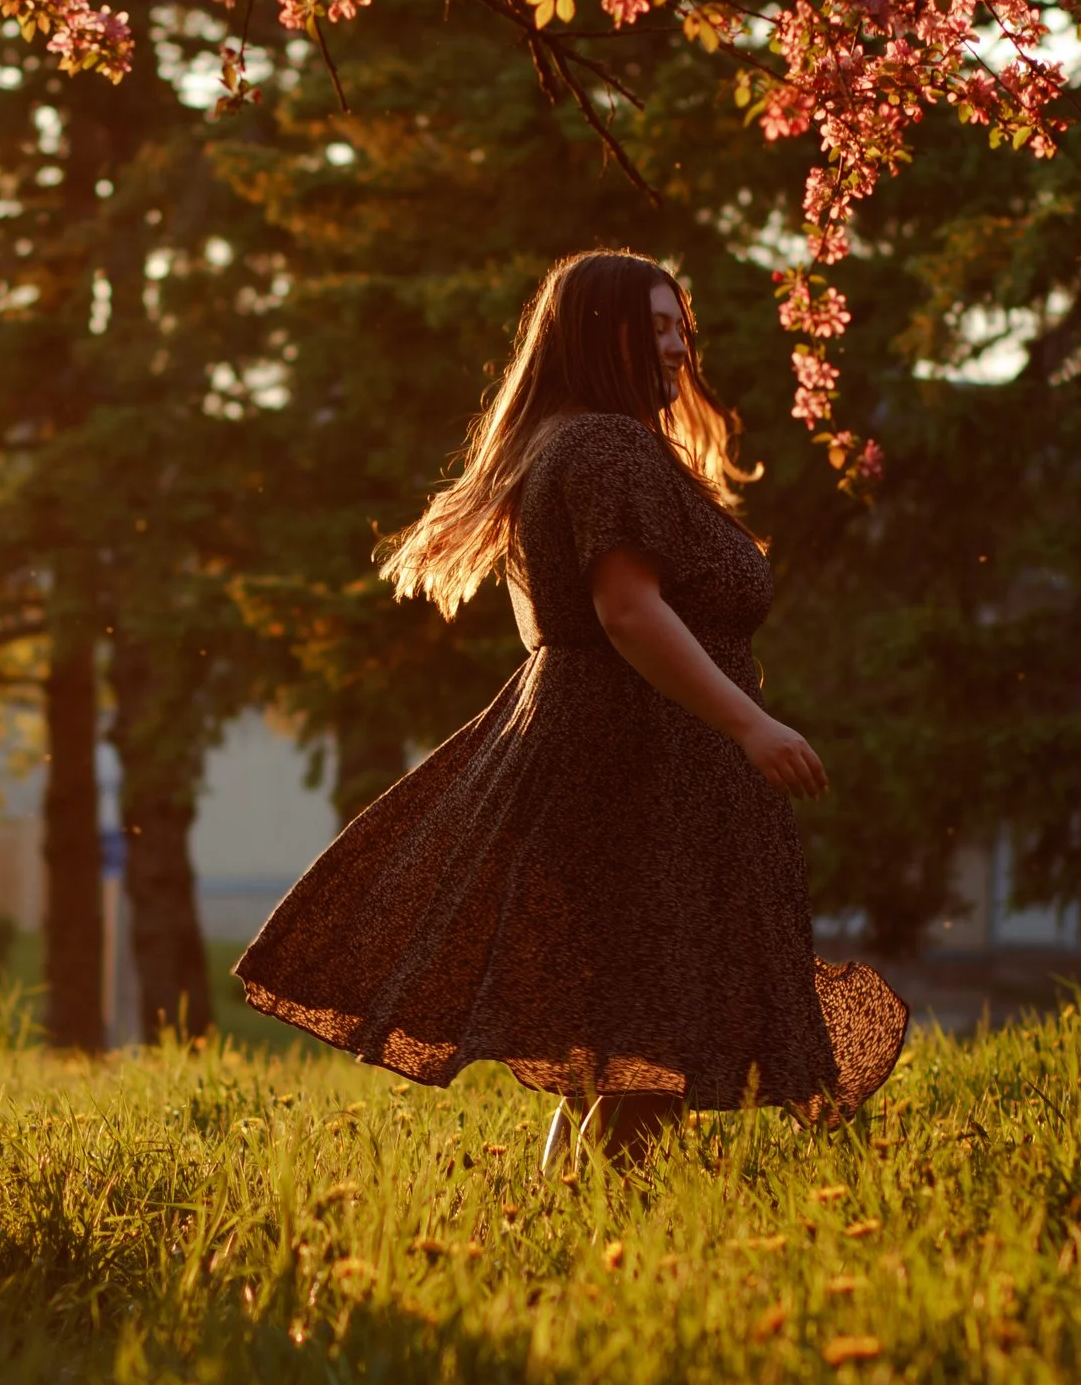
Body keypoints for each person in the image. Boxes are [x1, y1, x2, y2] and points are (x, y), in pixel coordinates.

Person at [235, 250, 908, 1169]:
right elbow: (625, 611)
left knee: (629, 1053)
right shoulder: (604, 445)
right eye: (657, 326)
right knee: (652, 1046)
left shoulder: (571, 443)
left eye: (682, 327)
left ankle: (563, 1244)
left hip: (618, 764)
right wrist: (751, 724)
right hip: (637, 772)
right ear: (600, 334)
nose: (678, 347)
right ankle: (594, 1252)